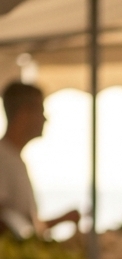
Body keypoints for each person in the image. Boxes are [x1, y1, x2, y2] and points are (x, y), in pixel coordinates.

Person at [0, 81, 79, 238]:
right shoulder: (3, 160)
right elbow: (8, 225)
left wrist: (61, 219)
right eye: (41, 110)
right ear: (24, 113)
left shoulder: (14, 159)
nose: (45, 119)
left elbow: (23, 227)